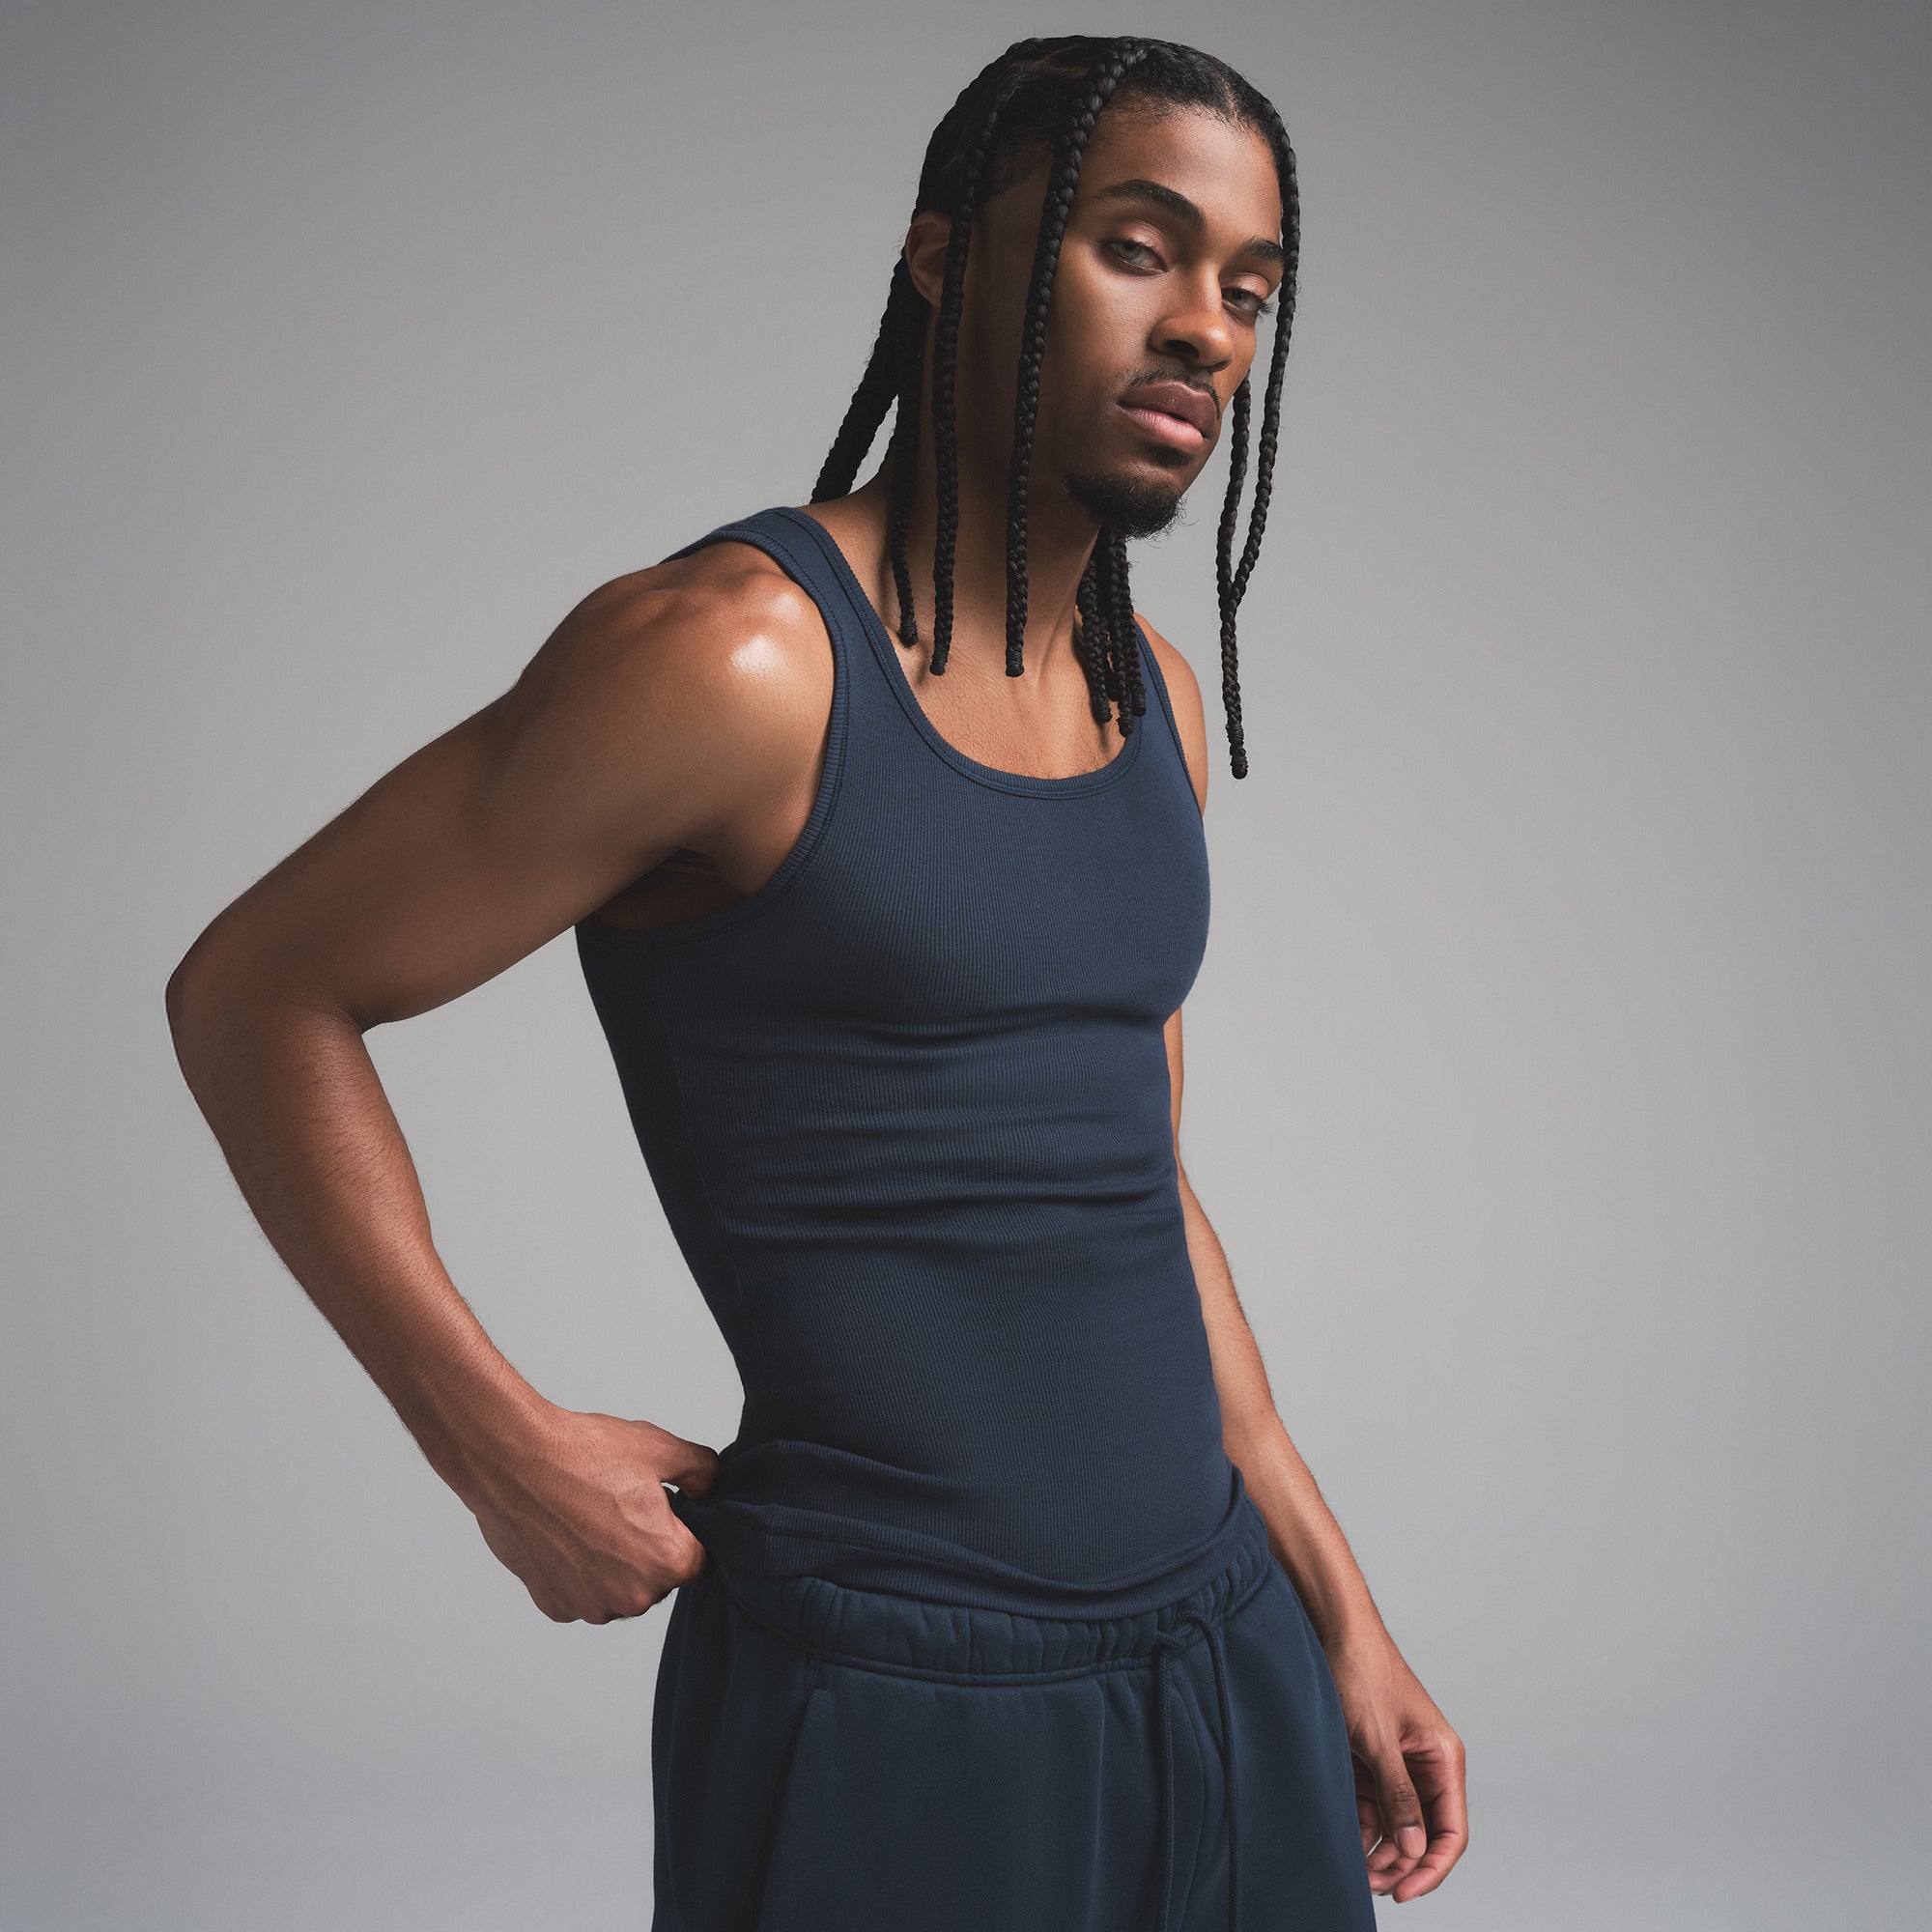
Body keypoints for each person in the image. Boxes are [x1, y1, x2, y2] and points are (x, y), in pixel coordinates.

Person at [167, 33, 1467, 1930]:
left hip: (1222, 1642)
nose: (1205, 324)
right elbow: (257, 990)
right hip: (894, 1693)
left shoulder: (1157, 704)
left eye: (1249, 288)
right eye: (1137, 245)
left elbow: (1134, 1184)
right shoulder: (735, 661)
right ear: (945, 256)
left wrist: (1340, 1612)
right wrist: (493, 1447)